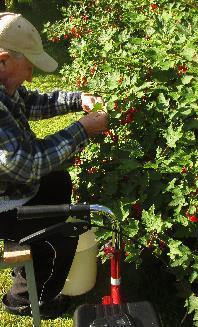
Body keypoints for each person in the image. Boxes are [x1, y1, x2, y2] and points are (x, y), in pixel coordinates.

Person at [0, 12, 108, 319]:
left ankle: (30, 261)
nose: (32, 74)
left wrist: (78, 100)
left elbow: (32, 102)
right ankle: (27, 299)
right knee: (63, 231)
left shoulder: (4, 84)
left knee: (58, 181)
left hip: (7, 188)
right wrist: (82, 129)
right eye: (29, 65)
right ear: (4, 59)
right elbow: (26, 163)